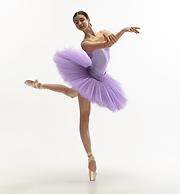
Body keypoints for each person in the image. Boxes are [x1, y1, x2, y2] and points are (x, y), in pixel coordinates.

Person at [25, 11, 140, 181]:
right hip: (90, 77)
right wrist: (121, 32)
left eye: (81, 20)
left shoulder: (104, 32)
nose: (79, 23)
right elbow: (105, 45)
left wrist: (121, 32)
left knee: (72, 93)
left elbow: (111, 40)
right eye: (76, 22)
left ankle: (40, 85)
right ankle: (91, 158)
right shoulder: (85, 44)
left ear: (88, 20)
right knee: (85, 119)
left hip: (101, 78)